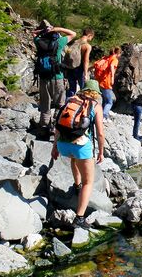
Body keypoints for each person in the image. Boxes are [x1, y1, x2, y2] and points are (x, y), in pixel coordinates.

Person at [50, 80, 105, 229]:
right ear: (95, 93)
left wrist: (54, 147)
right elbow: (100, 133)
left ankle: (76, 186)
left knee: (74, 160)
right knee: (89, 182)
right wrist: (101, 151)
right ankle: (79, 218)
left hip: (63, 145)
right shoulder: (96, 106)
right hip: (80, 146)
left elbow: (58, 126)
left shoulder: (70, 101)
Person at [33, 22, 76, 137]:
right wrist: (58, 28)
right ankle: (56, 128)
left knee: (45, 105)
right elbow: (73, 34)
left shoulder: (38, 42)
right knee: (60, 104)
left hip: (43, 78)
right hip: (57, 77)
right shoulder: (59, 42)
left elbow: (34, 34)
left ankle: (43, 129)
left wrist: (42, 32)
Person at [62, 29, 94, 98]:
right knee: (84, 90)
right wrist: (86, 74)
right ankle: (81, 106)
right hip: (80, 69)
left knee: (71, 89)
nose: (91, 39)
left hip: (70, 68)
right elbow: (86, 60)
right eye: (91, 37)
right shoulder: (87, 46)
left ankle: (67, 106)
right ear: (89, 35)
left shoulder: (74, 42)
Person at [96, 47, 122, 122]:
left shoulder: (106, 57)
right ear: (118, 53)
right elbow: (111, 66)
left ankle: (102, 114)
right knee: (109, 102)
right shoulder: (114, 59)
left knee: (105, 99)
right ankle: (103, 116)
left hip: (100, 81)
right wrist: (113, 77)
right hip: (106, 82)